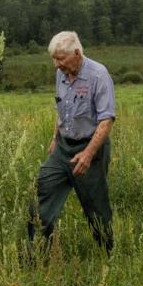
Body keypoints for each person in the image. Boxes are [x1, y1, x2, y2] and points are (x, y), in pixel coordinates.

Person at [28, 31, 116, 256]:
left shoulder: (98, 75)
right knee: (42, 191)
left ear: (76, 53)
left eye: (60, 59)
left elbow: (106, 120)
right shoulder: (62, 74)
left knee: (95, 207)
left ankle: (107, 254)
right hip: (63, 147)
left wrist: (87, 154)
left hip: (90, 149)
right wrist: (54, 138)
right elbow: (61, 108)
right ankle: (35, 252)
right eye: (54, 59)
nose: (56, 65)